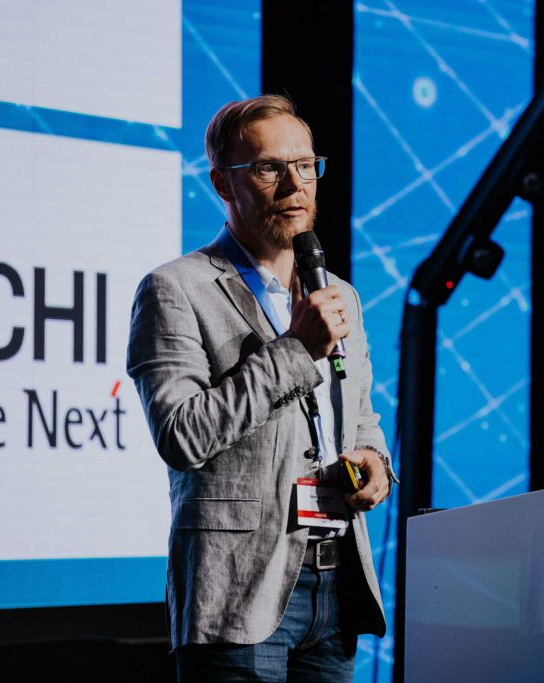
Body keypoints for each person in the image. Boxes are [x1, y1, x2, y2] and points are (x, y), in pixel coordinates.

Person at [126, 93, 395, 682]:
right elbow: (181, 435)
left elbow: (359, 417)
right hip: (238, 590)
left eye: (305, 165)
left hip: (335, 584)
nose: (295, 185)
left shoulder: (339, 295)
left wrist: (375, 462)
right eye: (270, 168)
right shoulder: (175, 289)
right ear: (224, 183)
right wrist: (295, 349)